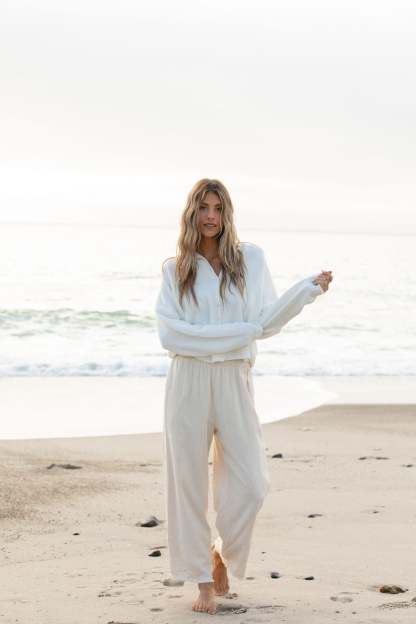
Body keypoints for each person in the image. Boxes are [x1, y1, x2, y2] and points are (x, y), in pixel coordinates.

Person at [154, 178, 333, 615]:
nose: (211, 216)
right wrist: (240, 333)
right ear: (191, 213)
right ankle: (202, 580)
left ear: (227, 213)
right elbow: (171, 336)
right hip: (188, 381)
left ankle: (220, 552)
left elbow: (266, 322)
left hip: (235, 378)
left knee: (252, 484)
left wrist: (305, 292)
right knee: (187, 484)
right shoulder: (175, 269)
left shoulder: (250, 260)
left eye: (218, 208)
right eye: (203, 208)